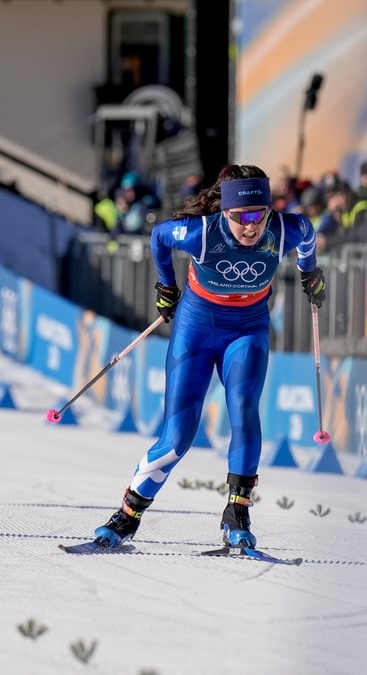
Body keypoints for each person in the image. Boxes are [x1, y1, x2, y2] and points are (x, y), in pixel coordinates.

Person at [92, 164, 325, 549]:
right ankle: (127, 516)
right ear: (225, 213)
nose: (251, 226)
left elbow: (309, 237)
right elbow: (158, 237)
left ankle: (237, 514)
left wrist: (308, 272)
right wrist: (167, 286)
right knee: (178, 435)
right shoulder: (201, 233)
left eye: (260, 215)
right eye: (241, 217)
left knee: (243, 412)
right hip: (196, 330)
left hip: (247, 329)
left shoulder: (285, 229)